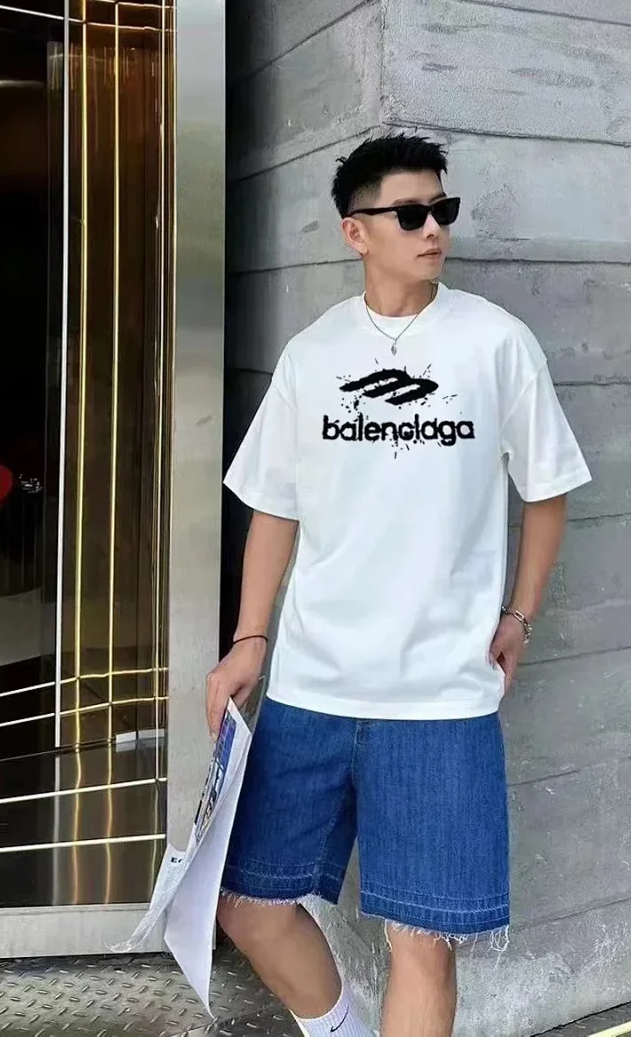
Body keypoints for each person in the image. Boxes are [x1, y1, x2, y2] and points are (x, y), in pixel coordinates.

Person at [208, 134, 592, 1037]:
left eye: (442, 211)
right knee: (246, 904)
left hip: (440, 696)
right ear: (356, 232)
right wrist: (249, 640)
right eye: (411, 214)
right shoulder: (312, 353)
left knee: (421, 940)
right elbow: (275, 507)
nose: (434, 230)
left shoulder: (496, 342)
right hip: (311, 685)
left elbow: (547, 492)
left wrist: (521, 612)